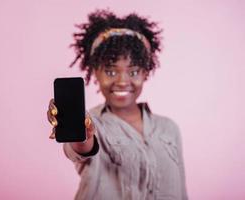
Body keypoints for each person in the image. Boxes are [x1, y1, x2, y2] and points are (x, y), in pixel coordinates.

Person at [47, 9, 188, 200]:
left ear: (146, 73)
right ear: (95, 72)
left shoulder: (169, 129)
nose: (122, 81)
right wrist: (81, 134)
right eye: (111, 72)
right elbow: (82, 148)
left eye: (134, 71)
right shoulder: (92, 123)